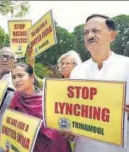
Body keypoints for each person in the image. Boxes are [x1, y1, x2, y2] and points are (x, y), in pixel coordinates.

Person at [70, 14, 129, 152]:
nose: (89, 35)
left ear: (112, 35)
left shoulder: (127, 65)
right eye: (86, 32)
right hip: (83, 147)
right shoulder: (77, 72)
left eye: (95, 31)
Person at [7, 63, 72, 152]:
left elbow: (64, 125)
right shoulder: (16, 98)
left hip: (52, 147)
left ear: (32, 77)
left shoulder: (48, 99)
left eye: (20, 75)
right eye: (13, 77)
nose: (16, 80)